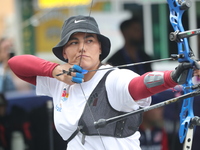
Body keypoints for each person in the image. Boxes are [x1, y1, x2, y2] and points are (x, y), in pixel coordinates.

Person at [8, 15, 195, 150]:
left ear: (100, 49)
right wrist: (54, 70)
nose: (82, 48)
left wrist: (172, 77)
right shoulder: (59, 80)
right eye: (73, 43)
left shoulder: (114, 78)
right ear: (64, 52)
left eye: (89, 41)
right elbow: (15, 64)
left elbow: (138, 85)